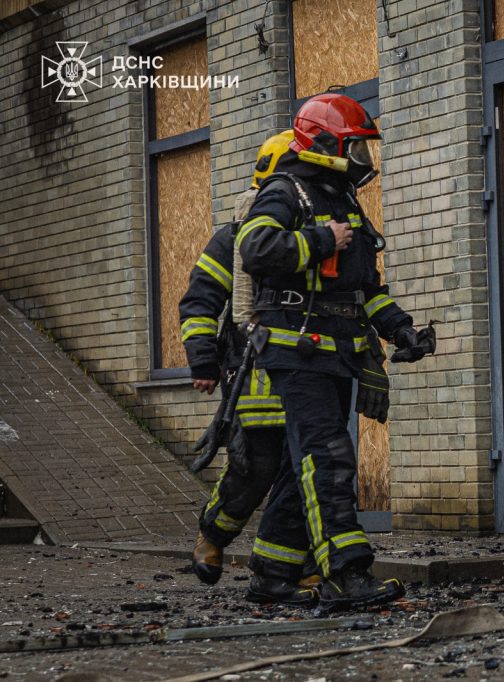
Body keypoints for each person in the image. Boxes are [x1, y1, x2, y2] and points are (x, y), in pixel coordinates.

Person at [236, 93, 428, 611]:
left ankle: (274, 576)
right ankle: (347, 575)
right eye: (357, 149)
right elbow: (255, 249)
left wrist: (401, 329)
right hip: (296, 353)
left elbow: (363, 288)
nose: (365, 161)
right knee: (329, 461)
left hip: (335, 353)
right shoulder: (286, 191)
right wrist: (321, 239)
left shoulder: (344, 201)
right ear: (323, 144)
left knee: (308, 467)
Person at [179, 130, 319, 606]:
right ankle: (212, 536)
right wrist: (202, 359)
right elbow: (200, 300)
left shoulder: (312, 229)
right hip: (253, 372)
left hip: (308, 370)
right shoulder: (238, 235)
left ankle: (288, 569)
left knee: (307, 473)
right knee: (253, 467)